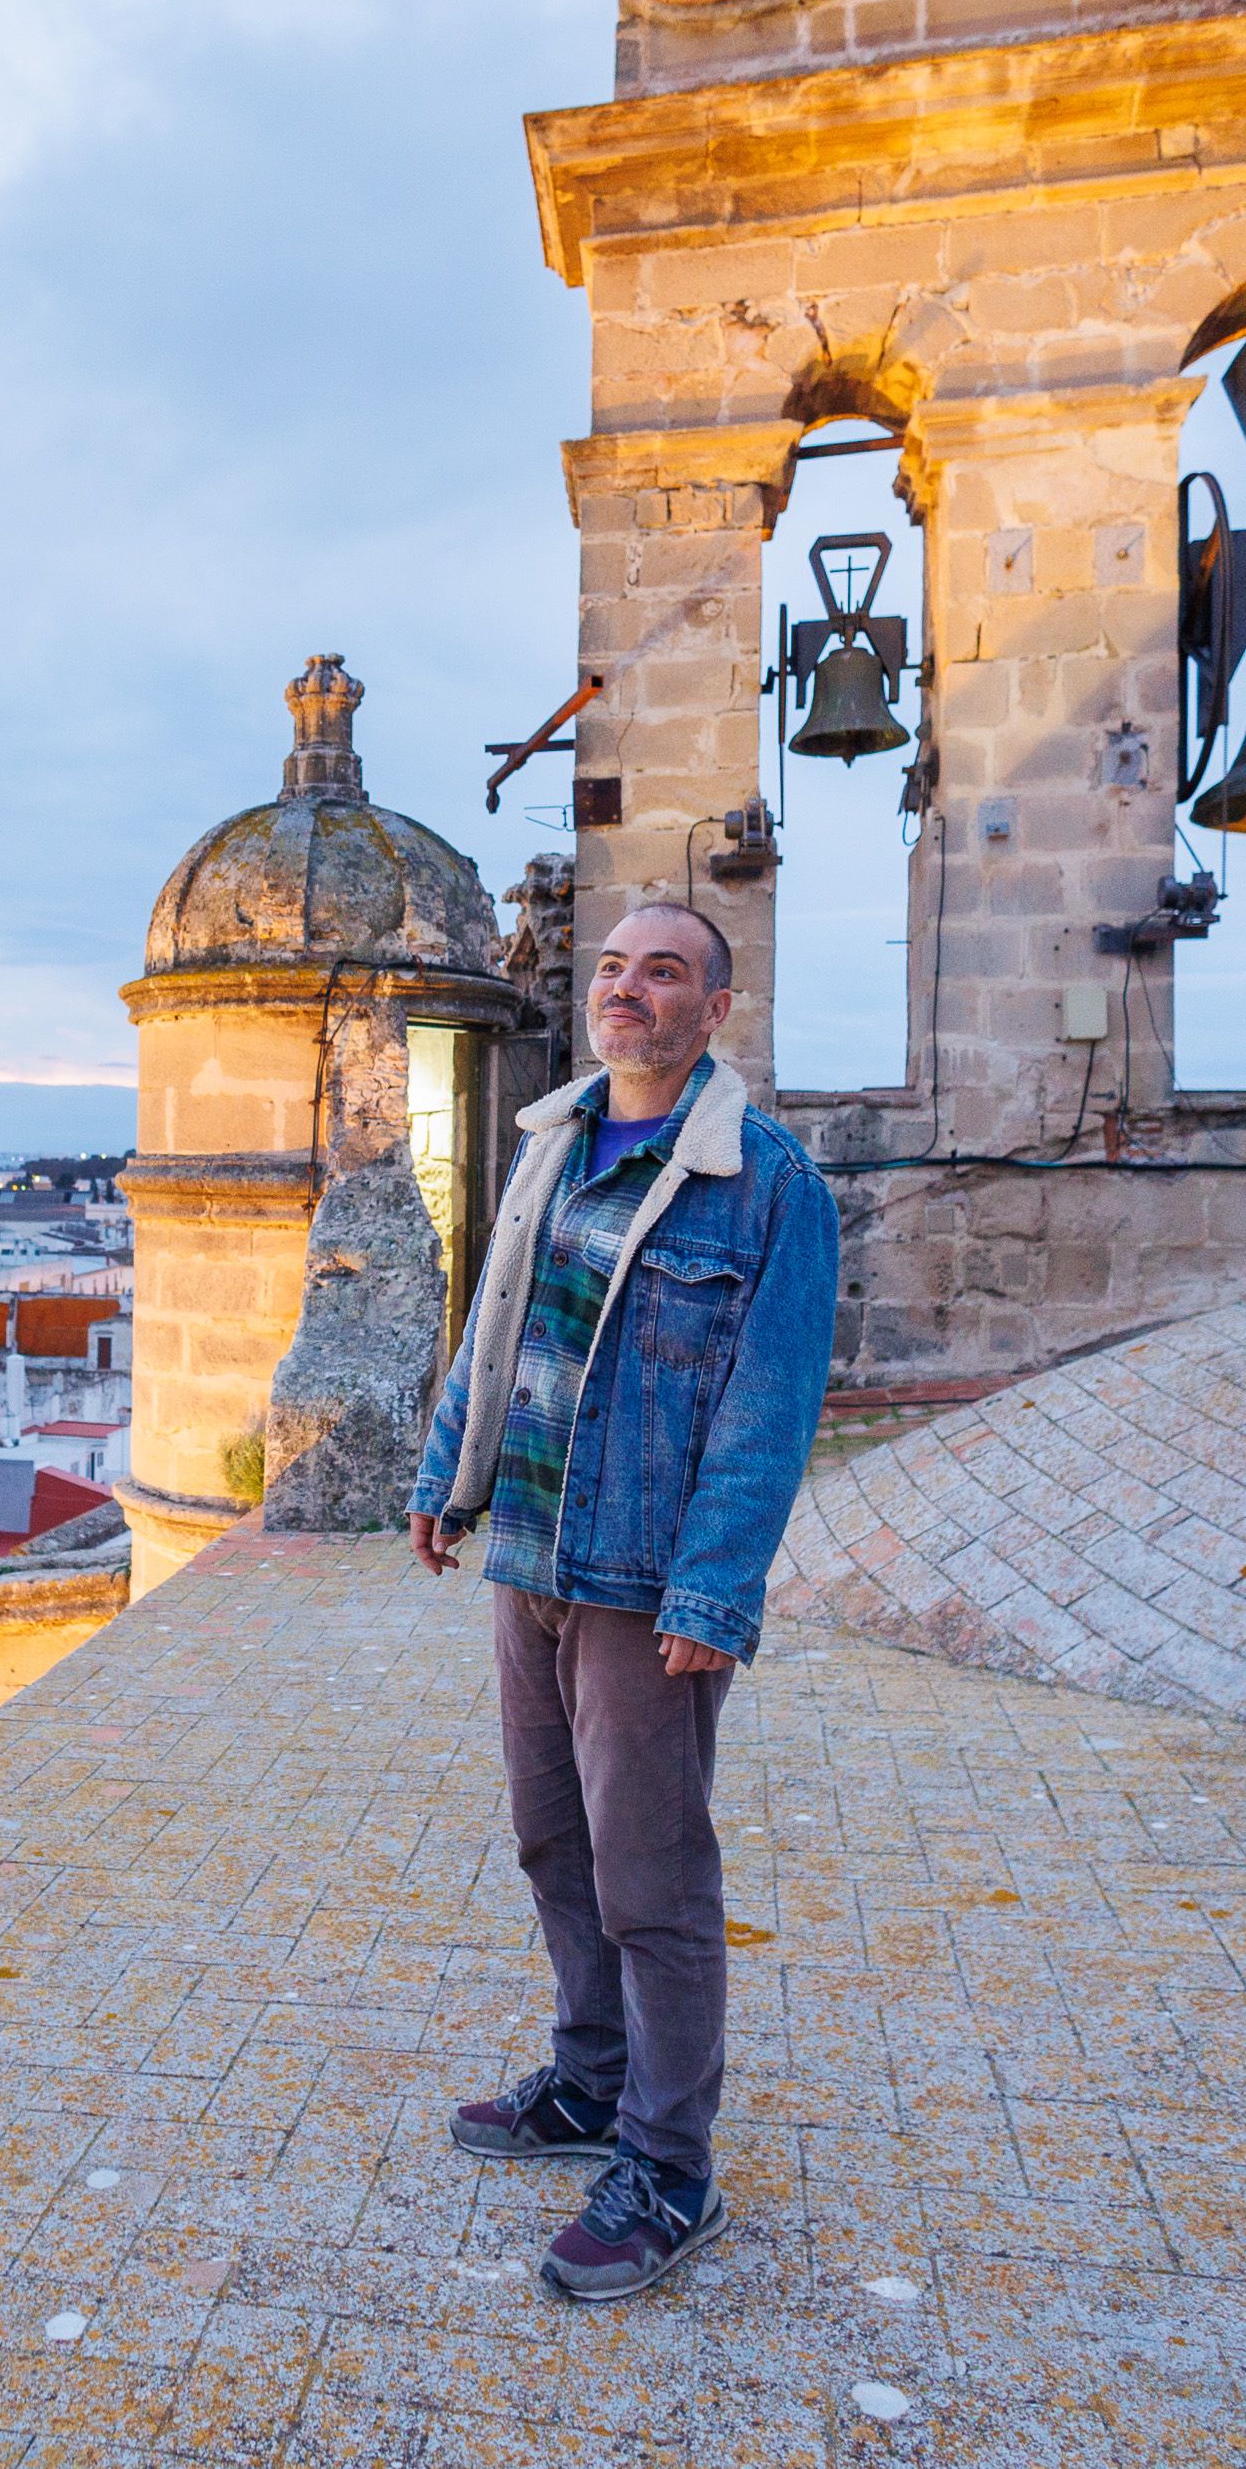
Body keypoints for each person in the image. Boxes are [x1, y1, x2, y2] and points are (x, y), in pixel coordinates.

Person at [407, 900, 836, 2302]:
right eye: (611, 966)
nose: (627, 988)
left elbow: (766, 1414)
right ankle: (590, 2086)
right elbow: (496, 1320)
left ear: (716, 1010)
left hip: (644, 1579)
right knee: (551, 1841)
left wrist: (715, 1592)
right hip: (527, 1552)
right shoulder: (554, 1142)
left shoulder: (767, 1184)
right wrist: (444, 1472)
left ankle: (669, 2165)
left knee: (653, 1874)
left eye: (664, 971)